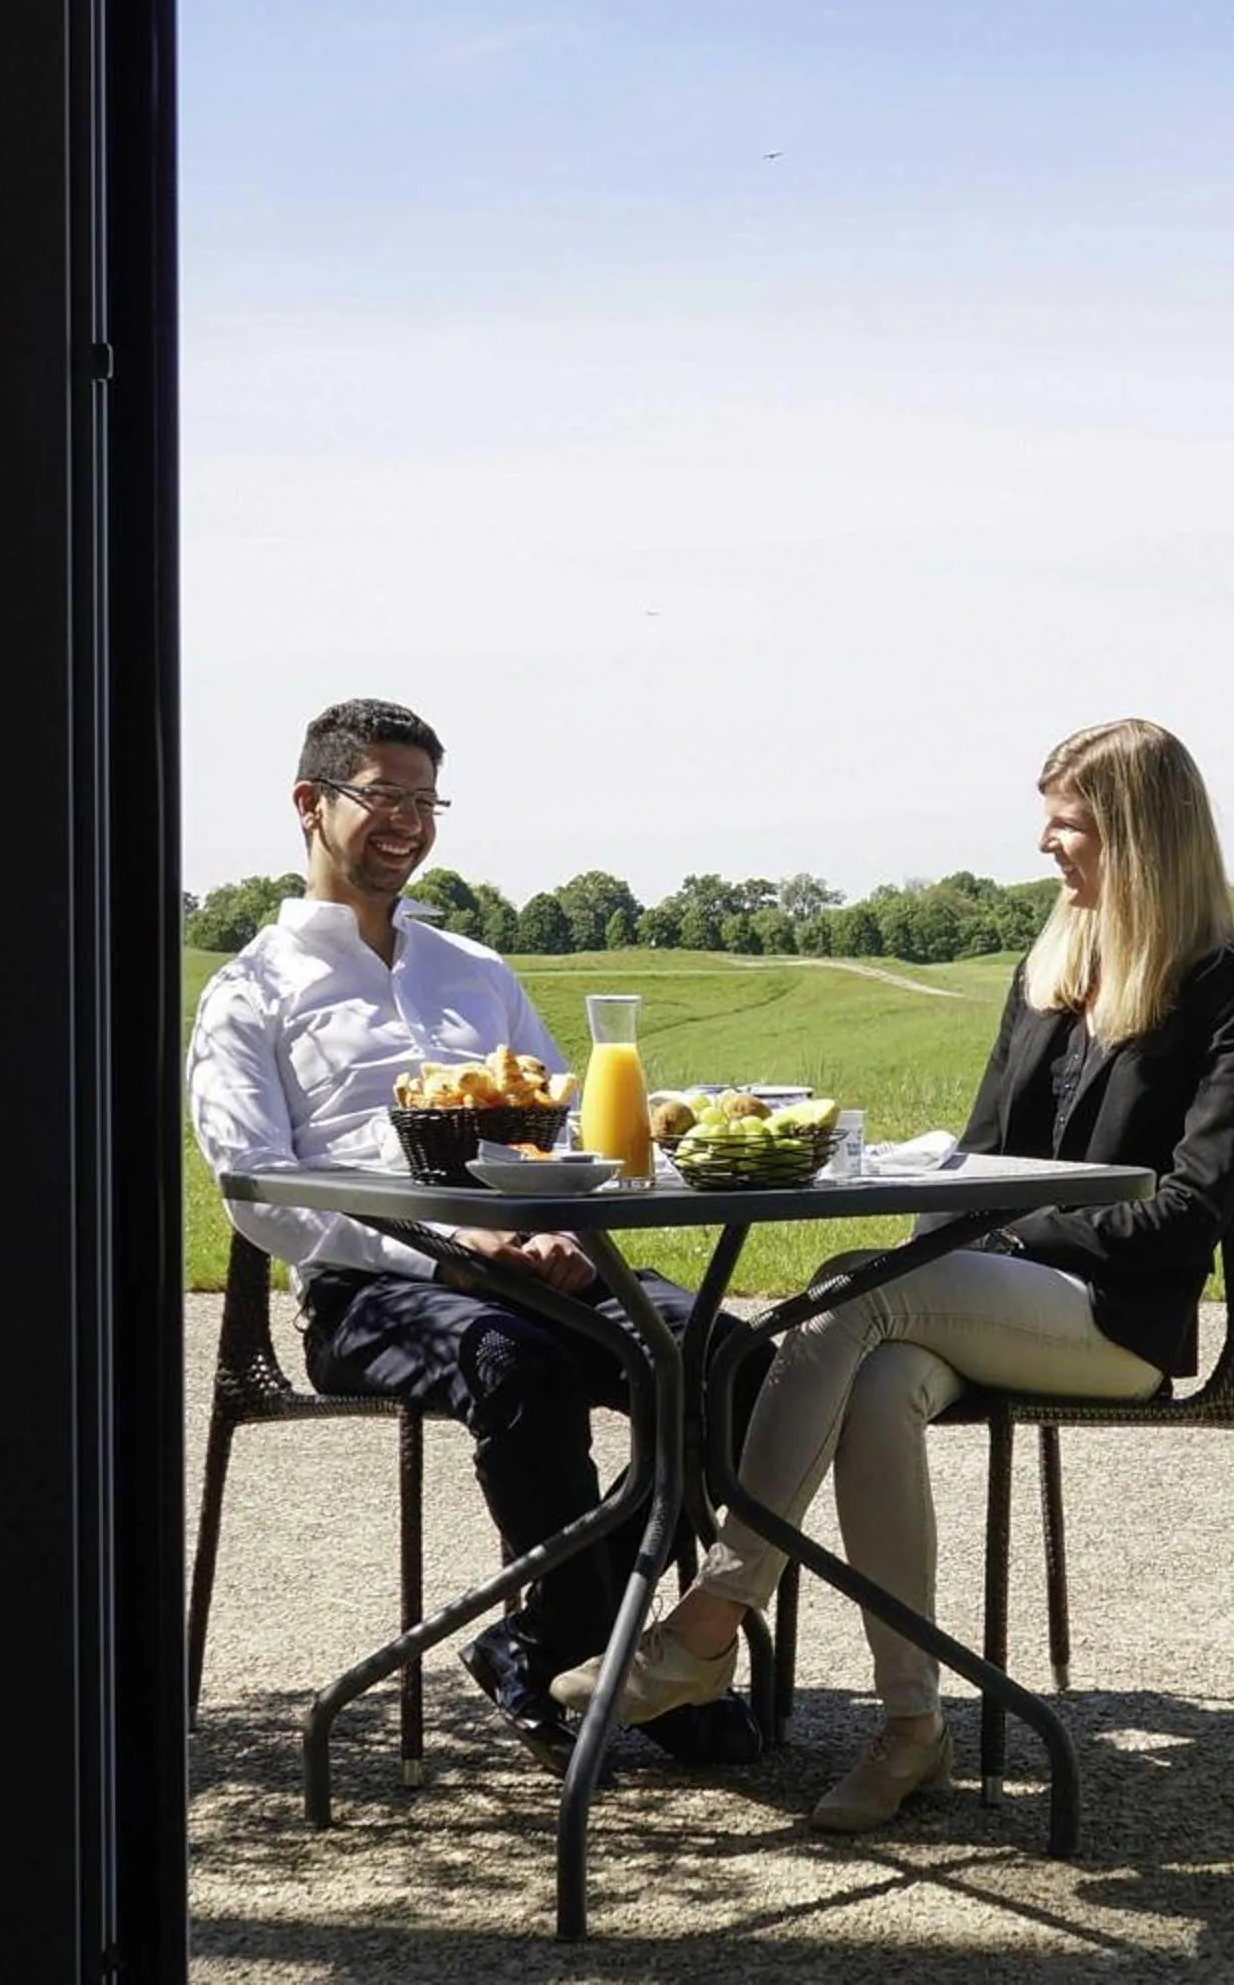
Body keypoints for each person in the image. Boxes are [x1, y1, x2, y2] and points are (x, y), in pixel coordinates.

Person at [550, 717, 1234, 1831]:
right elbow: (979, 1156)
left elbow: (1190, 1215)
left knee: (854, 1287)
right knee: (879, 1378)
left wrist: (1005, 1226)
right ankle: (911, 1730)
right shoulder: (1048, 977)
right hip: (993, 1292)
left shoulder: (1232, 995)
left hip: (1120, 1325)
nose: (1046, 843)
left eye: (1068, 822)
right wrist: (948, 1199)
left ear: (1139, 836)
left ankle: (706, 1621)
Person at [186, 697, 763, 1771]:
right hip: (375, 1290)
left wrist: (573, 1240)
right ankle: (571, 1651)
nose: (406, 821)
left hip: (552, 1265)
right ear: (310, 804)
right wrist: (451, 1252)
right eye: (382, 796)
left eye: (424, 800)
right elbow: (258, 1195)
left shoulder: (476, 970)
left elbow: (571, 1130)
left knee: (733, 1359)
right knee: (517, 1360)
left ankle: (668, 1649)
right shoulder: (250, 994)